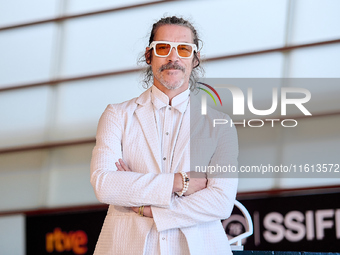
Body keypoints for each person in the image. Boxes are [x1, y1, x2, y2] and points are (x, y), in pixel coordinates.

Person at [90, 16, 238, 255]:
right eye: (162, 48)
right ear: (149, 56)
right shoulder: (116, 115)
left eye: (183, 49)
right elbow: (105, 185)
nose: (173, 57)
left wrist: (146, 208)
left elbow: (221, 201)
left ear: (195, 58)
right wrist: (181, 182)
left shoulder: (220, 125)